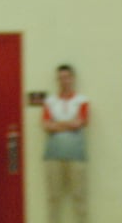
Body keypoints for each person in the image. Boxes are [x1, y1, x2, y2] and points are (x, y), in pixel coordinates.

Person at [42, 64, 88, 223]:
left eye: (67, 77)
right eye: (61, 78)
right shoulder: (50, 101)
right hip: (53, 155)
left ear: (72, 79)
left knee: (79, 196)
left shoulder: (81, 101)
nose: (64, 81)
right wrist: (68, 124)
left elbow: (80, 123)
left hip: (76, 155)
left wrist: (58, 125)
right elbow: (46, 126)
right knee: (54, 197)